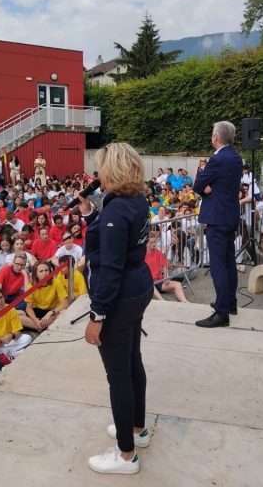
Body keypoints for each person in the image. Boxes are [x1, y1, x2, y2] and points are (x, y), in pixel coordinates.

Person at [77, 142, 155, 475]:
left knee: (118, 376)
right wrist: (91, 214)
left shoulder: (116, 211)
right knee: (133, 360)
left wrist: (97, 316)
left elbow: (108, 268)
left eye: (101, 168)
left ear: (113, 170)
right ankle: (137, 430)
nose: (98, 174)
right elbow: (117, 238)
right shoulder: (135, 201)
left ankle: (126, 455)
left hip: (120, 296)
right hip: (139, 286)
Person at [194, 121, 243, 328]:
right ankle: (230, 302)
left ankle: (221, 313)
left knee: (218, 266)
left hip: (216, 218)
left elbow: (197, 185)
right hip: (230, 215)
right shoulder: (236, 157)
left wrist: (205, 187)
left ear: (216, 137)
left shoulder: (217, 159)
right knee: (228, 261)